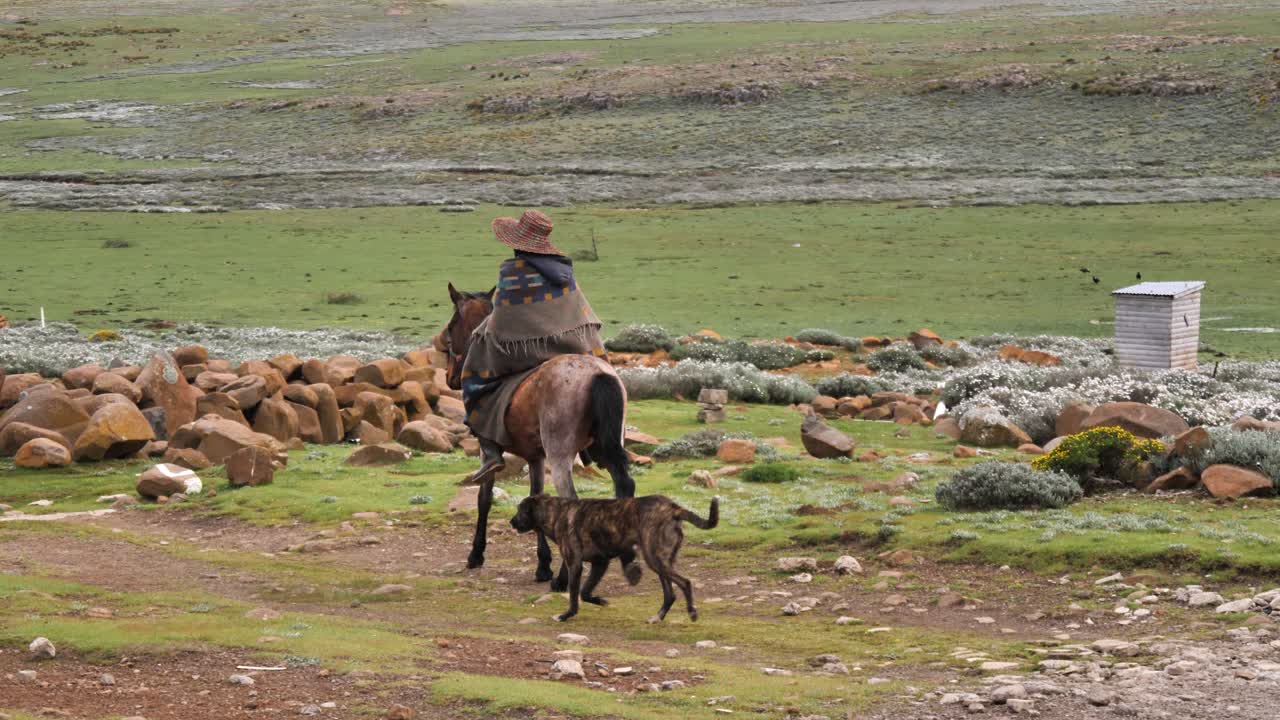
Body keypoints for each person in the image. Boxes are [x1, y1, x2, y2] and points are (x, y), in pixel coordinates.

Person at [460, 209, 606, 479]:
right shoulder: (566, 271)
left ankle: (490, 449)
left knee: (475, 367)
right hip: (572, 346)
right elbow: (581, 313)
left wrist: (483, 332)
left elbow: (502, 321)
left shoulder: (512, 270)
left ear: (517, 243)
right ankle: (597, 443)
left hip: (523, 352)